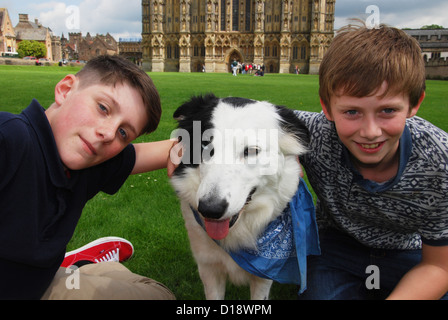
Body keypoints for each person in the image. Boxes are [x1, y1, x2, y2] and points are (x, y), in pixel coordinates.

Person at [0, 55, 176, 300]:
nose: (107, 133)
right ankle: (83, 267)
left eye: (123, 133)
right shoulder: (10, 139)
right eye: (103, 108)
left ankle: (81, 266)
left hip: (34, 282)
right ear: (65, 89)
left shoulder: (89, 161)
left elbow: (173, 149)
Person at [296, 21, 448, 300]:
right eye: (351, 112)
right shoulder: (315, 133)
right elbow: (242, 118)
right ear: (326, 108)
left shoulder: (440, 160)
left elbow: (439, 265)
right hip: (336, 247)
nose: (369, 132)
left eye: (387, 110)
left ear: (414, 104)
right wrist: (189, 142)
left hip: (408, 251)